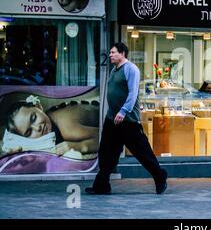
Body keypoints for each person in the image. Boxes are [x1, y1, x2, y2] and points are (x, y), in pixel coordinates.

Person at [86, 42, 167, 195]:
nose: (110, 55)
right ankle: (102, 185)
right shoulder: (114, 70)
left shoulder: (131, 69)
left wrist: (123, 111)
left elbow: (133, 93)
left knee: (142, 152)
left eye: (113, 52)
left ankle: (160, 177)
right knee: (106, 152)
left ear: (122, 53)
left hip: (128, 119)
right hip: (112, 118)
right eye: (110, 52)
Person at [3, 98, 99, 156]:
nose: (37, 128)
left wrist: (79, 146)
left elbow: (106, 136)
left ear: (38, 107)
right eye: (29, 132)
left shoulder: (65, 127)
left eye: (34, 118)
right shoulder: (48, 122)